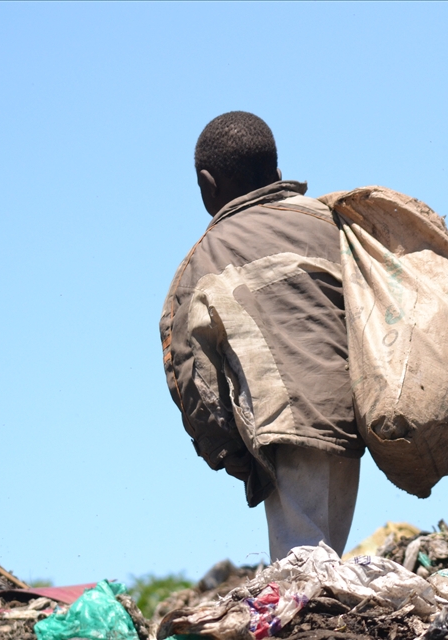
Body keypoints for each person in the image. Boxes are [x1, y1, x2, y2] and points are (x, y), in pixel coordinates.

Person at [160, 111, 364, 561]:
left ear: (208, 186)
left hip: (283, 422)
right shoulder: (330, 221)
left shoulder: (206, 258)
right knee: (323, 550)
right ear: (275, 171)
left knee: (302, 566)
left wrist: (227, 450)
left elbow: (192, 371)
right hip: (351, 414)